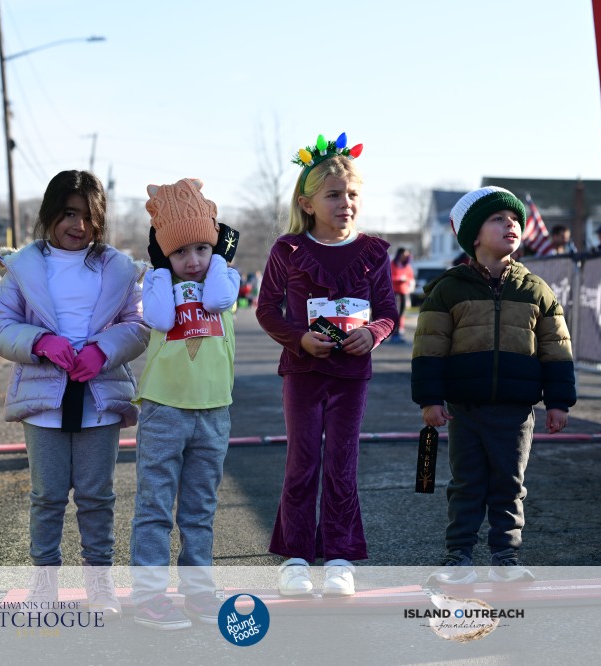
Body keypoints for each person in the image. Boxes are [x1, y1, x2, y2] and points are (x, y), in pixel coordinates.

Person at [0, 170, 149, 617]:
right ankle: (44, 585)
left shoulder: (118, 267)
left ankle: (100, 583)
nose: (79, 225)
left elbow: (138, 324)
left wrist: (104, 350)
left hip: (99, 398)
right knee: (47, 497)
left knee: (97, 497)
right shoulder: (24, 266)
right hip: (44, 399)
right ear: (50, 212)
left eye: (90, 217)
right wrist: (39, 342)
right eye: (70, 213)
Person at [412, 186, 577, 585]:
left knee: (509, 485)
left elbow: (557, 349)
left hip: (516, 413)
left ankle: (505, 557)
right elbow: (429, 347)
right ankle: (459, 557)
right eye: (498, 219)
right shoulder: (448, 289)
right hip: (465, 411)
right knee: (466, 484)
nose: (511, 224)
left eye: (515, 219)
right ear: (473, 234)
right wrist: (430, 399)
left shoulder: (536, 290)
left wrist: (558, 401)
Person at [256, 133, 397, 597]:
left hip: (351, 377)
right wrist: (299, 338)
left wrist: (372, 334)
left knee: (341, 463)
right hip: (304, 373)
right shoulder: (289, 249)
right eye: (334, 195)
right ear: (307, 203)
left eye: (352, 194)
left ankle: (339, 557)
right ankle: (295, 558)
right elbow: (266, 309)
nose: (345, 202)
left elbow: (388, 312)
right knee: (303, 461)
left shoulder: (374, 251)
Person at [129, 178, 240, 630]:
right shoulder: (158, 281)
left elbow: (217, 299)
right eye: (180, 252)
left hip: (213, 409)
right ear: (163, 253)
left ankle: (198, 592)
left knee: (200, 508)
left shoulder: (225, 277)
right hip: (165, 409)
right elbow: (159, 318)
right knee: (155, 506)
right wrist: (161, 269)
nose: (192, 261)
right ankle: (149, 595)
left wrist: (220, 258)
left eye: (201, 248)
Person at [389, 248, 415, 342]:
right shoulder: (392, 264)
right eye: (404, 255)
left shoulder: (407, 266)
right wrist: (399, 278)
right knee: (396, 312)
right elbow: (389, 276)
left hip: (404, 292)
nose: (405, 257)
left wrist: (408, 281)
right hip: (395, 291)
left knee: (402, 313)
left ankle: (400, 332)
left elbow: (410, 277)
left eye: (407, 255)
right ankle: (394, 333)